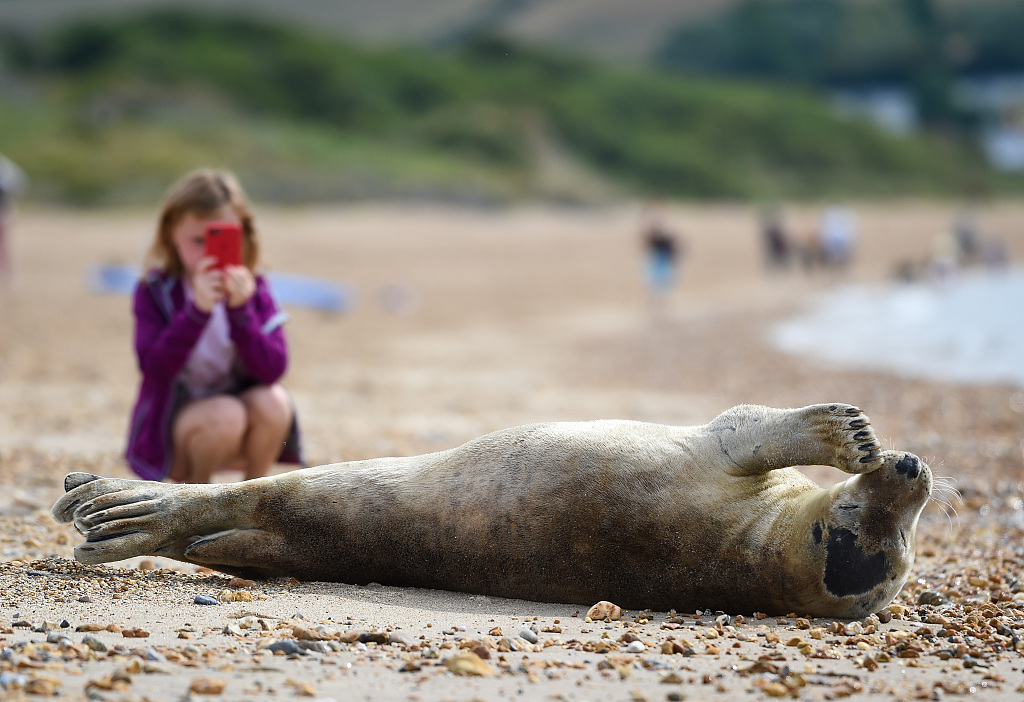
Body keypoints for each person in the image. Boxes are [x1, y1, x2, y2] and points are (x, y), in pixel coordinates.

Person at [126, 169, 303, 483]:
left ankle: (253, 496)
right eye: (197, 240)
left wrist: (241, 311)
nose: (209, 253)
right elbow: (153, 369)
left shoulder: (255, 288)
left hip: (241, 426)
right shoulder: (155, 291)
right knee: (225, 413)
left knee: (274, 401)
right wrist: (196, 313)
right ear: (170, 233)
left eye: (223, 239)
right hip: (179, 432)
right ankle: (197, 500)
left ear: (243, 233)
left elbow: (273, 370)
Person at [0, 155, 28, 285]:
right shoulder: (6, 166)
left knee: (3, 245)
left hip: (3, 211)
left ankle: (6, 275)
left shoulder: (5, 166)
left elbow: (19, 186)